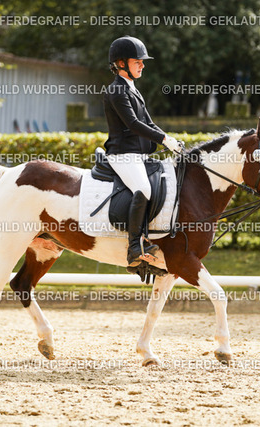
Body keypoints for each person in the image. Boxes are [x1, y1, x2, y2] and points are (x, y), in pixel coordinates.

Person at [103, 35, 183, 267]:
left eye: (142, 62)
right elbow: (133, 124)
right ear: (121, 64)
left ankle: (149, 237)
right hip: (122, 155)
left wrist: (169, 140)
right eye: (137, 61)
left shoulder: (132, 89)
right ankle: (134, 248)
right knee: (144, 189)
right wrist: (164, 139)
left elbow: (148, 123)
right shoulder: (116, 91)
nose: (142, 65)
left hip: (138, 155)